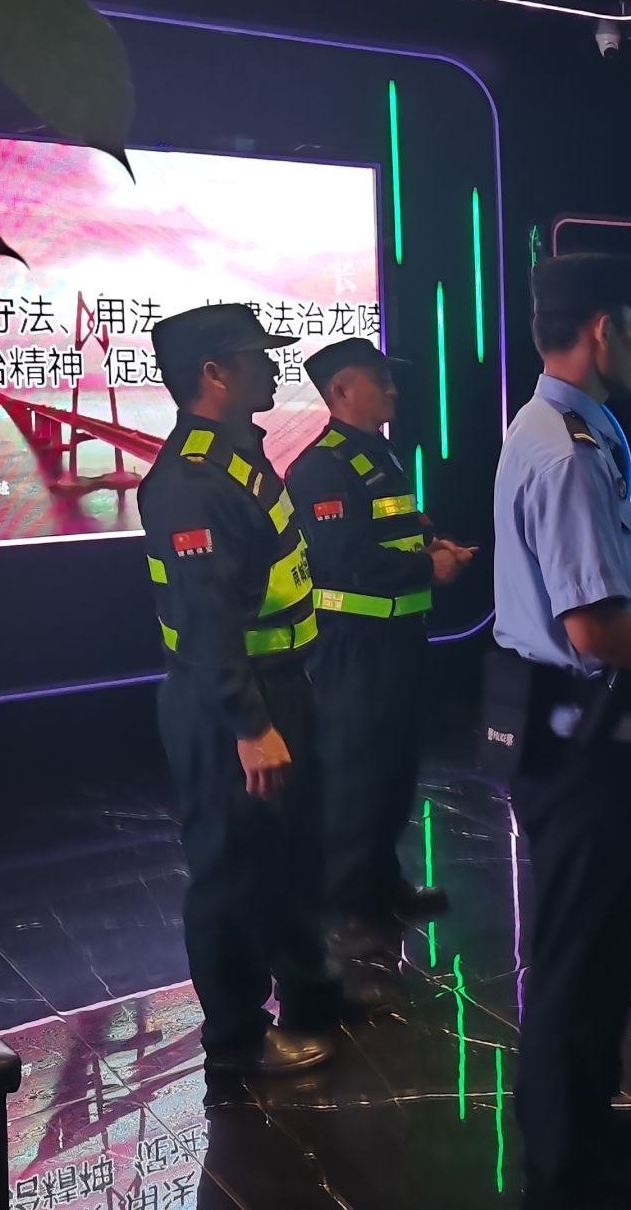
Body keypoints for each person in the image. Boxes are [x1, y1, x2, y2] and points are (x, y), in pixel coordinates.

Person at [491, 253, 631, 1210]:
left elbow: (608, 600)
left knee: (598, 938)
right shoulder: (564, 450)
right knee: (577, 945)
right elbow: (590, 625)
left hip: (580, 713)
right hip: (574, 723)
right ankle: (563, 1164)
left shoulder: (566, 427)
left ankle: (586, 1122)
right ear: (597, 330)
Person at [140, 304, 340, 1078]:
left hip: (276, 685)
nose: (274, 367)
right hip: (228, 703)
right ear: (213, 373)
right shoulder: (191, 483)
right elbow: (206, 622)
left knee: (289, 852)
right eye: (259, 356)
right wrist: (251, 725)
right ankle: (237, 1042)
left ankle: (310, 997)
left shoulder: (236, 456)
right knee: (229, 872)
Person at [285, 337, 476, 991]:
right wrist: (429, 566)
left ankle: (381, 885)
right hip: (354, 647)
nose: (392, 389)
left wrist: (432, 543)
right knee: (355, 780)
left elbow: (389, 532)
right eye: (378, 379)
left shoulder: (376, 454)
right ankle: (348, 913)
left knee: (392, 773)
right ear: (341, 391)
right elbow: (344, 560)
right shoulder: (321, 467)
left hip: (397, 642)